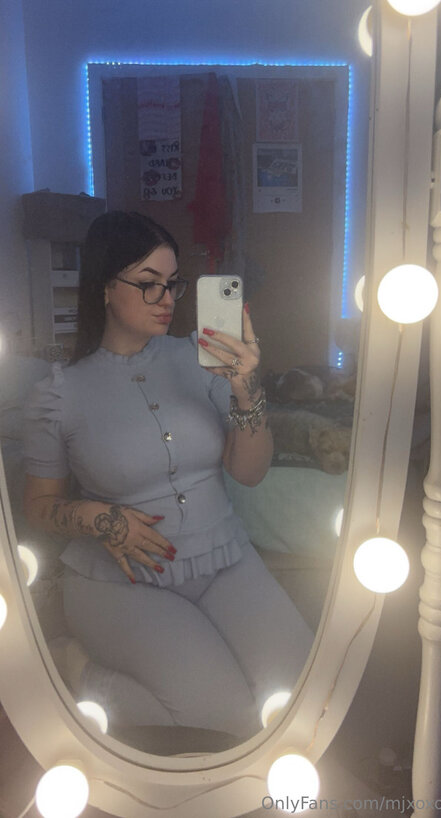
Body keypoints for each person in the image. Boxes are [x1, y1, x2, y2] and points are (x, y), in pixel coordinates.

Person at [23, 211, 314, 739]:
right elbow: (38, 506)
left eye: (173, 283)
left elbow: (249, 474)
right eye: (148, 283)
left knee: (300, 694)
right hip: (121, 583)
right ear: (105, 287)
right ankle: (79, 670)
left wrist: (246, 388)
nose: (166, 299)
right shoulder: (61, 394)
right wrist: (99, 517)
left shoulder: (201, 361)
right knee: (223, 717)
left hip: (224, 558)